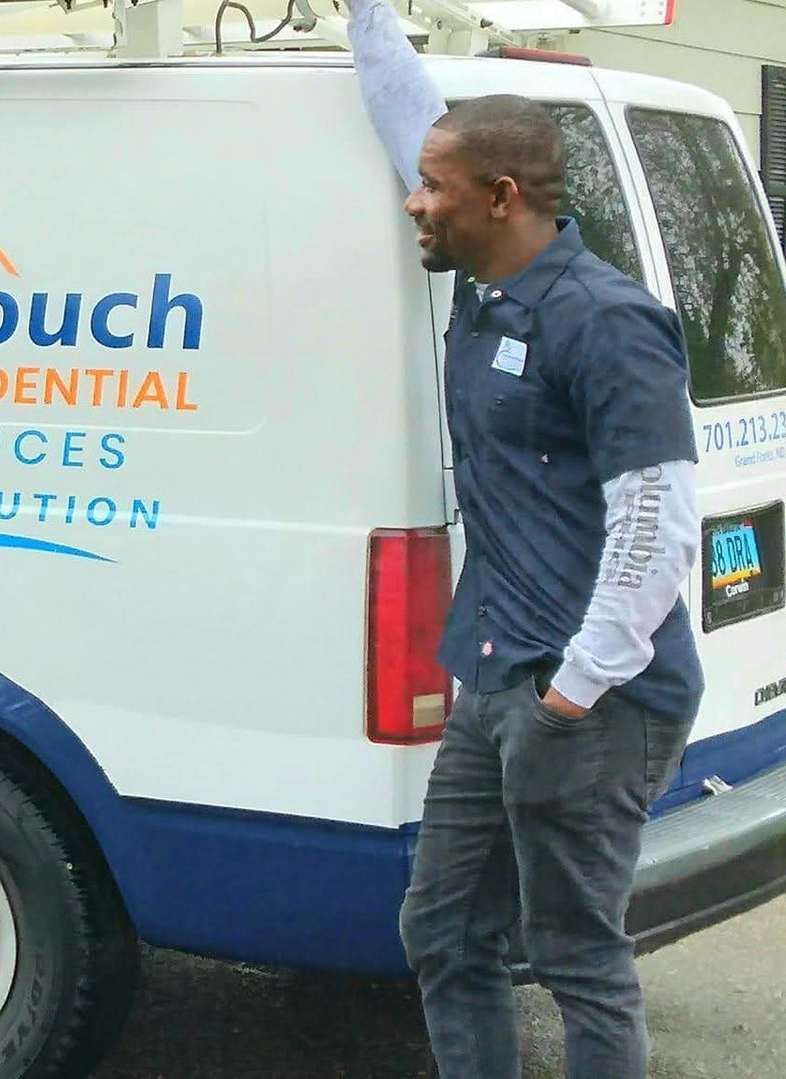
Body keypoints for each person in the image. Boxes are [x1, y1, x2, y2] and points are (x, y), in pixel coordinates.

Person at [345, 2, 706, 1076]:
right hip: (500, 671)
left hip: (591, 698)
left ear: (500, 198)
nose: (413, 197)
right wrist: (364, 14)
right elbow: (411, 117)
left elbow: (657, 522)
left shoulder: (605, 321)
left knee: (576, 952)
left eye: (433, 187)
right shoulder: (489, 282)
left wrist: (572, 694)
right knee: (444, 929)